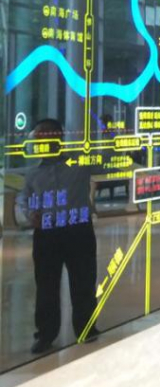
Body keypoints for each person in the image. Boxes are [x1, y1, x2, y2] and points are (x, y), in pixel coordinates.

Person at [15, 118, 100, 355]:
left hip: (77, 230)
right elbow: (23, 198)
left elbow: (105, 159)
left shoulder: (79, 163)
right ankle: (46, 334)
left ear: (59, 137)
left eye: (46, 136)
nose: (41, 141)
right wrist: (30, 213)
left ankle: (86, 328)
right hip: (47, 234)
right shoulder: (33, 173)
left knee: (83, 281)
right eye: (38, 138)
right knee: (46, 285)